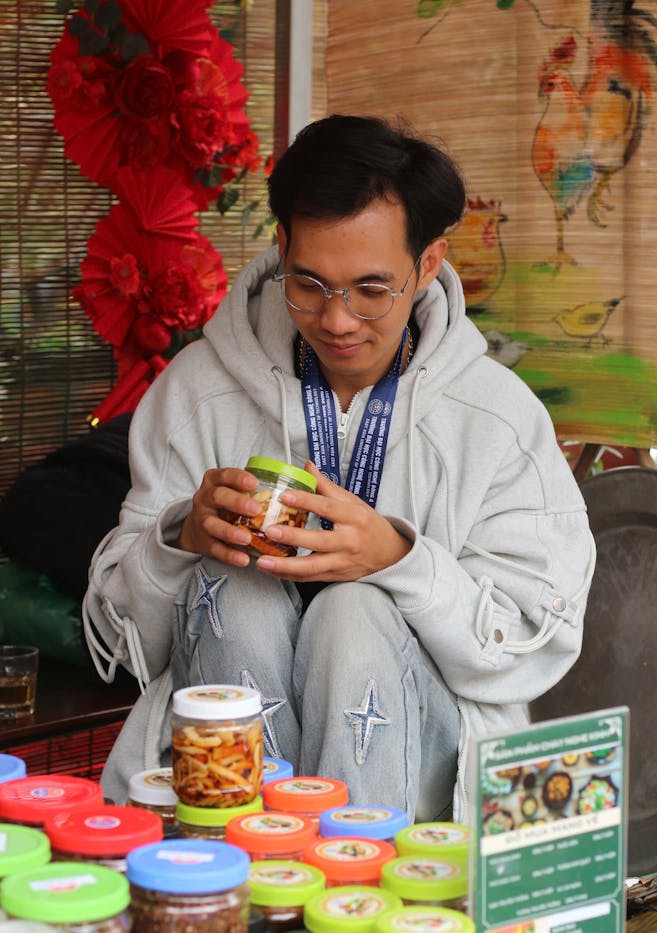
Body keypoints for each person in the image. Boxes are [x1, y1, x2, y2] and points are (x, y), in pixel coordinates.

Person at [83, 114, 595, 820]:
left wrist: (400, 560)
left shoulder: (497, 418)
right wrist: (178, 540)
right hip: (218, 756)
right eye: (310, 284)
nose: (338, 320)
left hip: (429, 787)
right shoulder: (198, 390)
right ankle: (252, 882)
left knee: (355, 612)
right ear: (282, 248)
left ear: (429, 264)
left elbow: (538, 646)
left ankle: (362, 886)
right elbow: (122, 645)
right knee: (234, 590)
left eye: (372, 289)